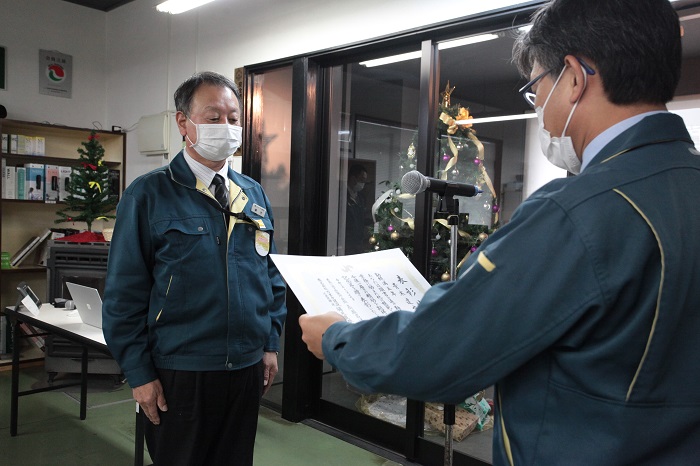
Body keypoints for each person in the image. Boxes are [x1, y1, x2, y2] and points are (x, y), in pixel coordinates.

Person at [300, 0, 700, 464]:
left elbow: (441, 353)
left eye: (536, 89)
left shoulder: (577, 214)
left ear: (573, 78)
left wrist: (338, 339)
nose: (539, 112)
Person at [103, 71, 287, 465]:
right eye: (213, 116)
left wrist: (270, 343)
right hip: (180, 373)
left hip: (245, 368)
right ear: (183, 122)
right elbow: (123, 296)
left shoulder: (252, 194)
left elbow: (269, 275)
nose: (226, 127)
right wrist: (139, 374)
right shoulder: (149, 195)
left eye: (234, 118)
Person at [345, 163, 372, 254]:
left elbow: (362, 218)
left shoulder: (360, 197)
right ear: (353, 178)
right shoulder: (341, 196)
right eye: (362, 180)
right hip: (346, 244)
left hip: (358, 244)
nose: (363, 184)